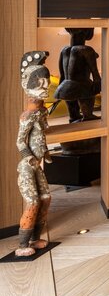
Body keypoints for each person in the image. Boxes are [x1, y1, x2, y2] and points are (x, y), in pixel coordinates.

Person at [16, 51, 53, 257]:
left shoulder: (41, 112)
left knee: (46, 198)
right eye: (39, 84)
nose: (45, 88)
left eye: (46, 83)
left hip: (37, 164)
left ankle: (35, 238)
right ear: (27, 85)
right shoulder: (28, 116)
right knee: (33, 202)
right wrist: (29, 157)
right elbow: (20, 141)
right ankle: (23, 245)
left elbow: (42, 131)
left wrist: (44, 152)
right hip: (28, 166)